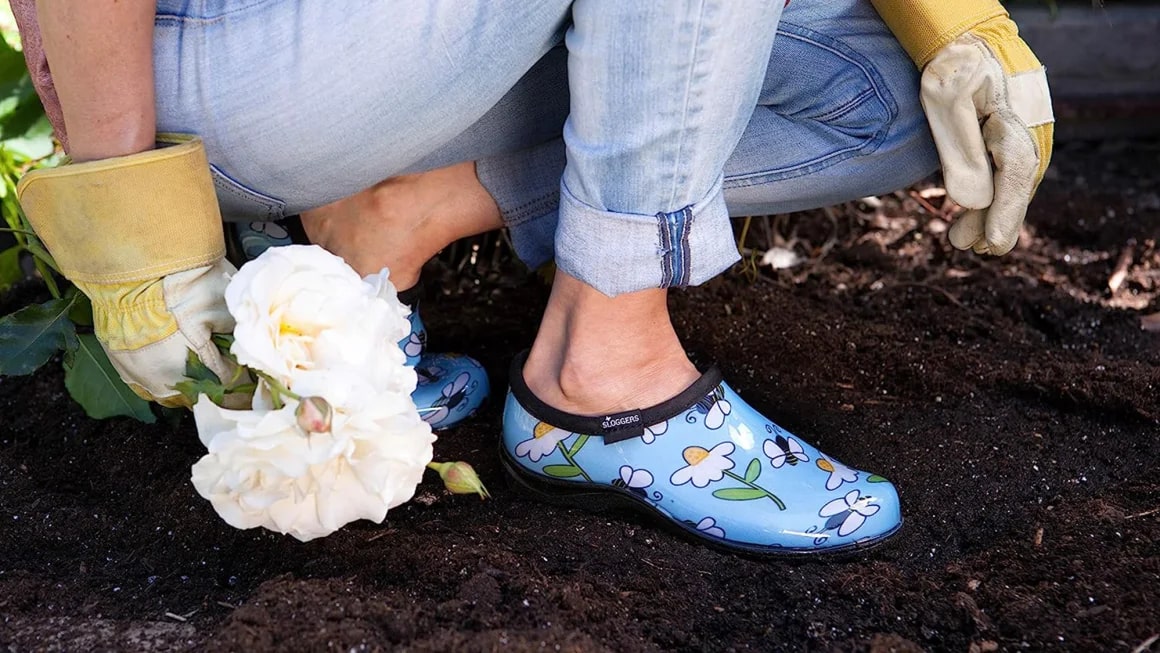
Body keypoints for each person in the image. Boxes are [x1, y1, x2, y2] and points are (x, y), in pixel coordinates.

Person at [13, 0, 1052, 554]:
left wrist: (948, 22)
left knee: (890, 96)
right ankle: (606, 365)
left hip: (436, 44)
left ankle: (401, 213)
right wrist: (132, 226)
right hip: (245, 54)